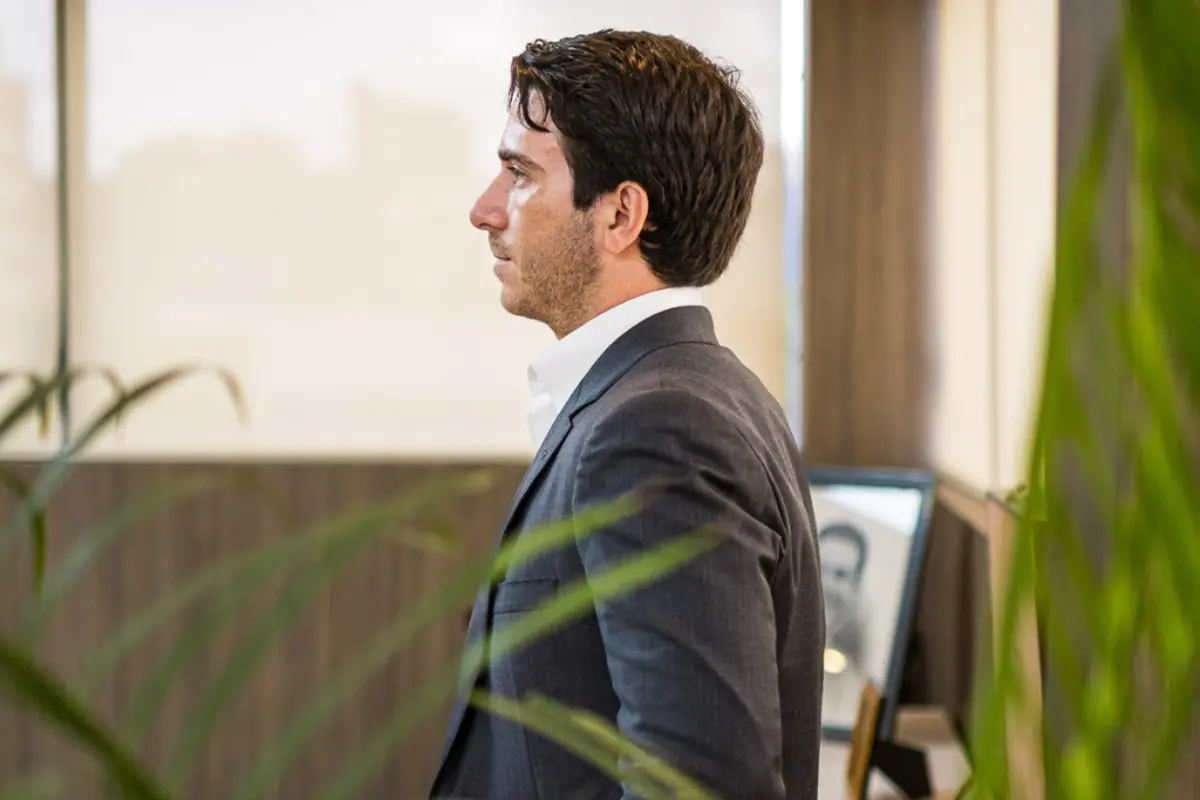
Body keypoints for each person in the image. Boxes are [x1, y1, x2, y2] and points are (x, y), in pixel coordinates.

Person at [430, 29, 824, 800]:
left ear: (620, 215)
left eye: (517, 174)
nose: (483, 210)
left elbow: (698, 785)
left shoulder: (659, 428)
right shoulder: (694, 391)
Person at [817, 522, 871, 725]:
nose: (828, 585)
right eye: (821, 569)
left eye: (841, 575)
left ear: (856, 587)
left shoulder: (854, 689)